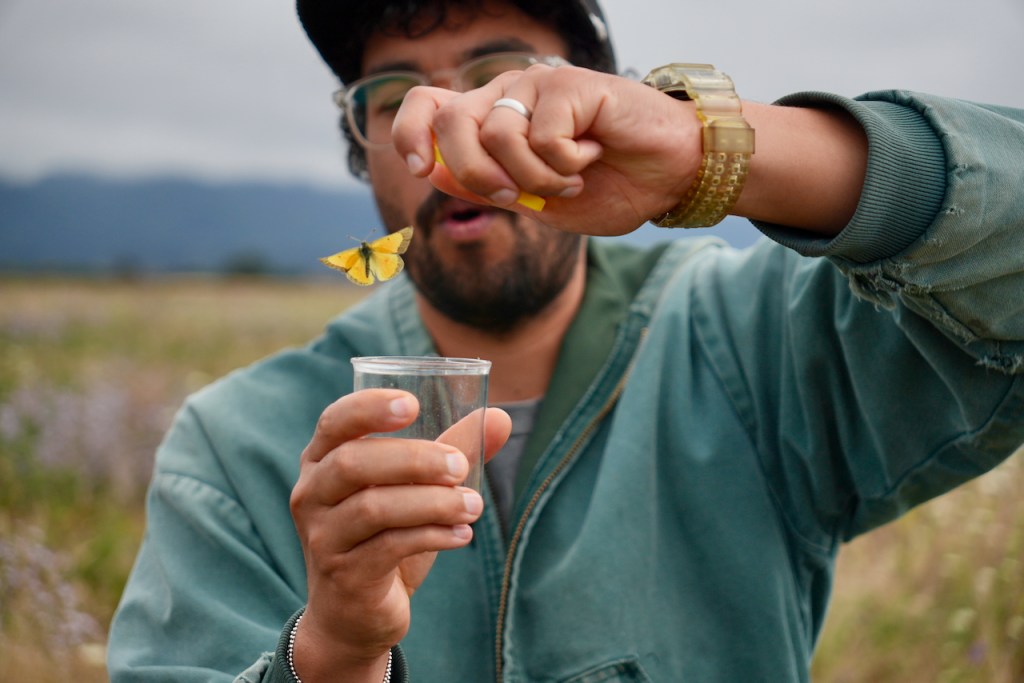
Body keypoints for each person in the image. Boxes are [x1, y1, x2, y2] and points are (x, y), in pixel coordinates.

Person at [107, 0, 1024, 680]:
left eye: (500, 80)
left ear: (593, 100)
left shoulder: (758, 343)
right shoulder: (234, 448)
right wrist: (334, 653)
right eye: (397, 99)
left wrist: (703, 148)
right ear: (366, 148)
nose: (450, 136)